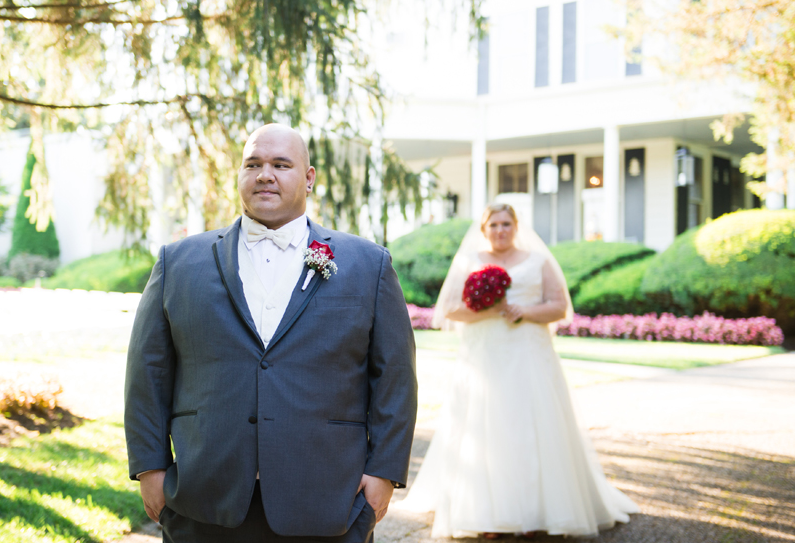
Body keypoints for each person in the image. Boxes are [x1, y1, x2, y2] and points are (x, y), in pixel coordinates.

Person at [124, 123, 418, 543]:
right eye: (254, 164)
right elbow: (147, 370)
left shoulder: (368, 265)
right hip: (203, 499)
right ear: (240, 174)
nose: (266, 174)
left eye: (282, 164)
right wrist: (150, 469)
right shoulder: (179, 262)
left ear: (309, 178)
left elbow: (395, 378)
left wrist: (384, 473)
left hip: (327, 499)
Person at [396, 203, 638, 539]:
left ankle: (537, 513)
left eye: (506, 223)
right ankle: (487, 515)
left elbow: (559, 306)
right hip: (485, 357)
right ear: (484, 229)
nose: (500, 230)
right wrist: (488, 308)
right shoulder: (470, 261)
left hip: (528, 354)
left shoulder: (538, 261)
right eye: (493, 224)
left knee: (533, 427)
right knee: (487, 427)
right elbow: (450, 310)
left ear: (516, 225)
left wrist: (523, 311)